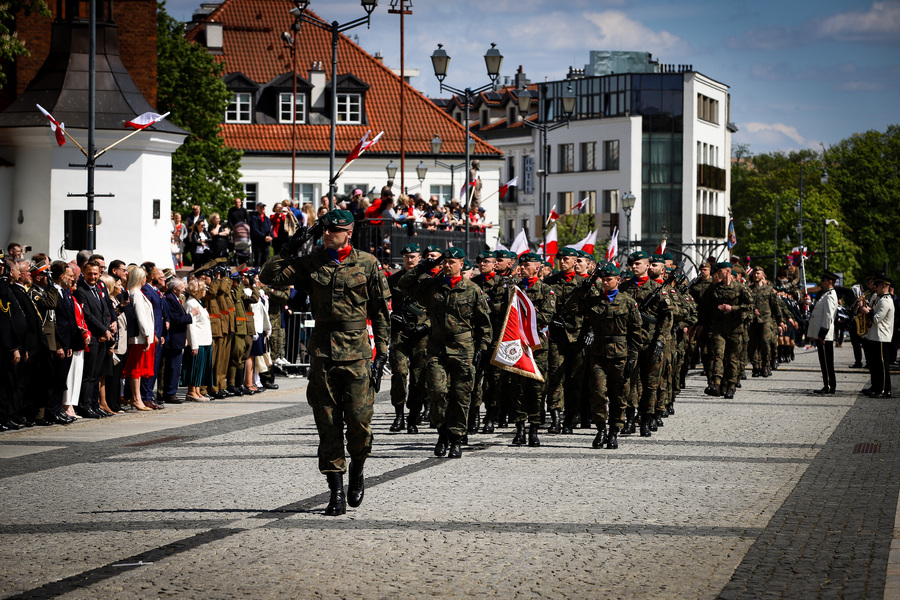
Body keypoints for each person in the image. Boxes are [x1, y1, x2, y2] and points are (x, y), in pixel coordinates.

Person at [259, 209, 391, 516]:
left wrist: (382, 351)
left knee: (359, 424)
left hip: (358, 353)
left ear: (348, 233)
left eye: (335, 230)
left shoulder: (368, 263)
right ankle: (336, 492)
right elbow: (270, 276)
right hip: (322, 354)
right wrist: (291, 245)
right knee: (328, 424)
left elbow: (381, 312)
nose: (328, 234)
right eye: (325, 230)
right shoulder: (312, 262)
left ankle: (357, 468)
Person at [398, 247, 492, 459]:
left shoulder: (472, 290)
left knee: (461, 396)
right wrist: (425, 265)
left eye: (452, 262)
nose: (448, 266)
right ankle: (442, 433)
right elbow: (404, 284)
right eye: (445, 262)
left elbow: (484, 324)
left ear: (461, 264)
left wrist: (483, 349)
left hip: (463, 349)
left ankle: (456, 438)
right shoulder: (432, 286)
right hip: (437, 348)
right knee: (437, 392)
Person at [566, 262, 641, 449]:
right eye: (603, 279)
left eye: (610, 279)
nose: (606, 282)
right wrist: (582, 289)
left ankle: (614, 431)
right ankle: (601, 430)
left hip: (621, 356)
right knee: (598, 394)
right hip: (598, 355)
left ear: (618, 280)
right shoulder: (594, 301)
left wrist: (633, 357)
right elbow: (570, 308)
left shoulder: (628, 302)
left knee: (619, 396)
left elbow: (636, 333)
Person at [386, 243, 429, 434]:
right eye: (406, 257)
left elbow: (435, 309)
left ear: (420, 258)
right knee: (399, 373)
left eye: (413, 256)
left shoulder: (428, 281)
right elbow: (383, 303)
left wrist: (425, 325)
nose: (410, 260)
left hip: (421, 334)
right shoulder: (394, 280)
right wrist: (391, 316)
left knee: (419, 377)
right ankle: (398, 415)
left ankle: (413, 416)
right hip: (400, 333)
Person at [698, 261, 752, 399]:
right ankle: (716, 384)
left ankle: (730, 386)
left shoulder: (740, 288)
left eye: (719, 271)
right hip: (718, 329)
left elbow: (750, 306)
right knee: (717, 356)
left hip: (735, 329)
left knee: (732, 359)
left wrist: (732, 309)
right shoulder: (714, 288)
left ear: (727, 271)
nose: (717, 274)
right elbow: (704, 306)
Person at [123, 267, 155, 411]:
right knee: (136, 368)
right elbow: (141, 316)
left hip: (142, 337)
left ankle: (137, 397)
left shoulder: (138, 293)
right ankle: (136, 398)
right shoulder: (135, 294)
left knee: (139, 368)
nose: (145, 279)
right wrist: (146, 333)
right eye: (144, 277)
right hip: (139, 338)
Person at [860, 274, 894, 398]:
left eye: (878, 285)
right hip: (876, 336)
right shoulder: (881, 299)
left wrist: (867, 311)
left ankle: (885, 390)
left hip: (882, 337)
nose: (876, 287)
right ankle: (878, 387)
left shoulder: (885, 301)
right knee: (877, 365)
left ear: (884, 286)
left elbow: (876, 319)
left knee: (882, 365)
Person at [808, 269, 839, 394]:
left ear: (829, 281)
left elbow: (828, 316)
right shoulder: (826, 294)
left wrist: (822, 333)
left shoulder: (830, 295)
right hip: (823, 333)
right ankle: (827, 385)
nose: (821, 282)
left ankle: (830, 386)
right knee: (824, 361)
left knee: (827, 362)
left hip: (825, 334)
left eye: (823, 280)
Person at [183, 277, 213, 401]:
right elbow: (191, 325)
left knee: (201, 367)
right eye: (203, 288)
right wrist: (193, 344)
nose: (205, 290)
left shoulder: (198, 303)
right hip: (198, 341)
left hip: (205, 340)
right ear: (198, 290)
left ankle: (197, 390)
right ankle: (191, 391)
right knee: (195, 367)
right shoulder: (191, 303)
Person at [249, 202, 274, 267]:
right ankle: (256, 275)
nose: (262, 208)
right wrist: (264, 237)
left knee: (265, 260)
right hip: (258, 242)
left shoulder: (267, 219)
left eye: (263, 207)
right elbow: (254, 230)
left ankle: (263, 275)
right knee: (257, 260)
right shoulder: (254, 218)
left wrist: (271, 236)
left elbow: (270, 228)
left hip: (266, 243)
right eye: (261, 207)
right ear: (257, 208)